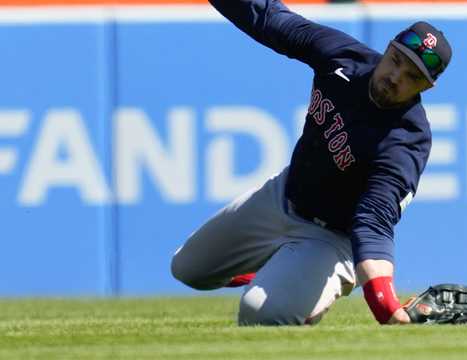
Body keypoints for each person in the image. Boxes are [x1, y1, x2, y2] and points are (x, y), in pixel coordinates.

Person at [171, 0, 452, 326]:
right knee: (188, 269)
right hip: (282, 197)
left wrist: (385, 306)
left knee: (259, 313)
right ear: (388, 49)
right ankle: (279, 269)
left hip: (331, 239)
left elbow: (373, 220)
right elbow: (270, 20)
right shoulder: (346, 57)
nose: (395, 77)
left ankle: (305, 283)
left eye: (412, 76)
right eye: (397, 61)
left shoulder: (407, 139)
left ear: (427, 87)